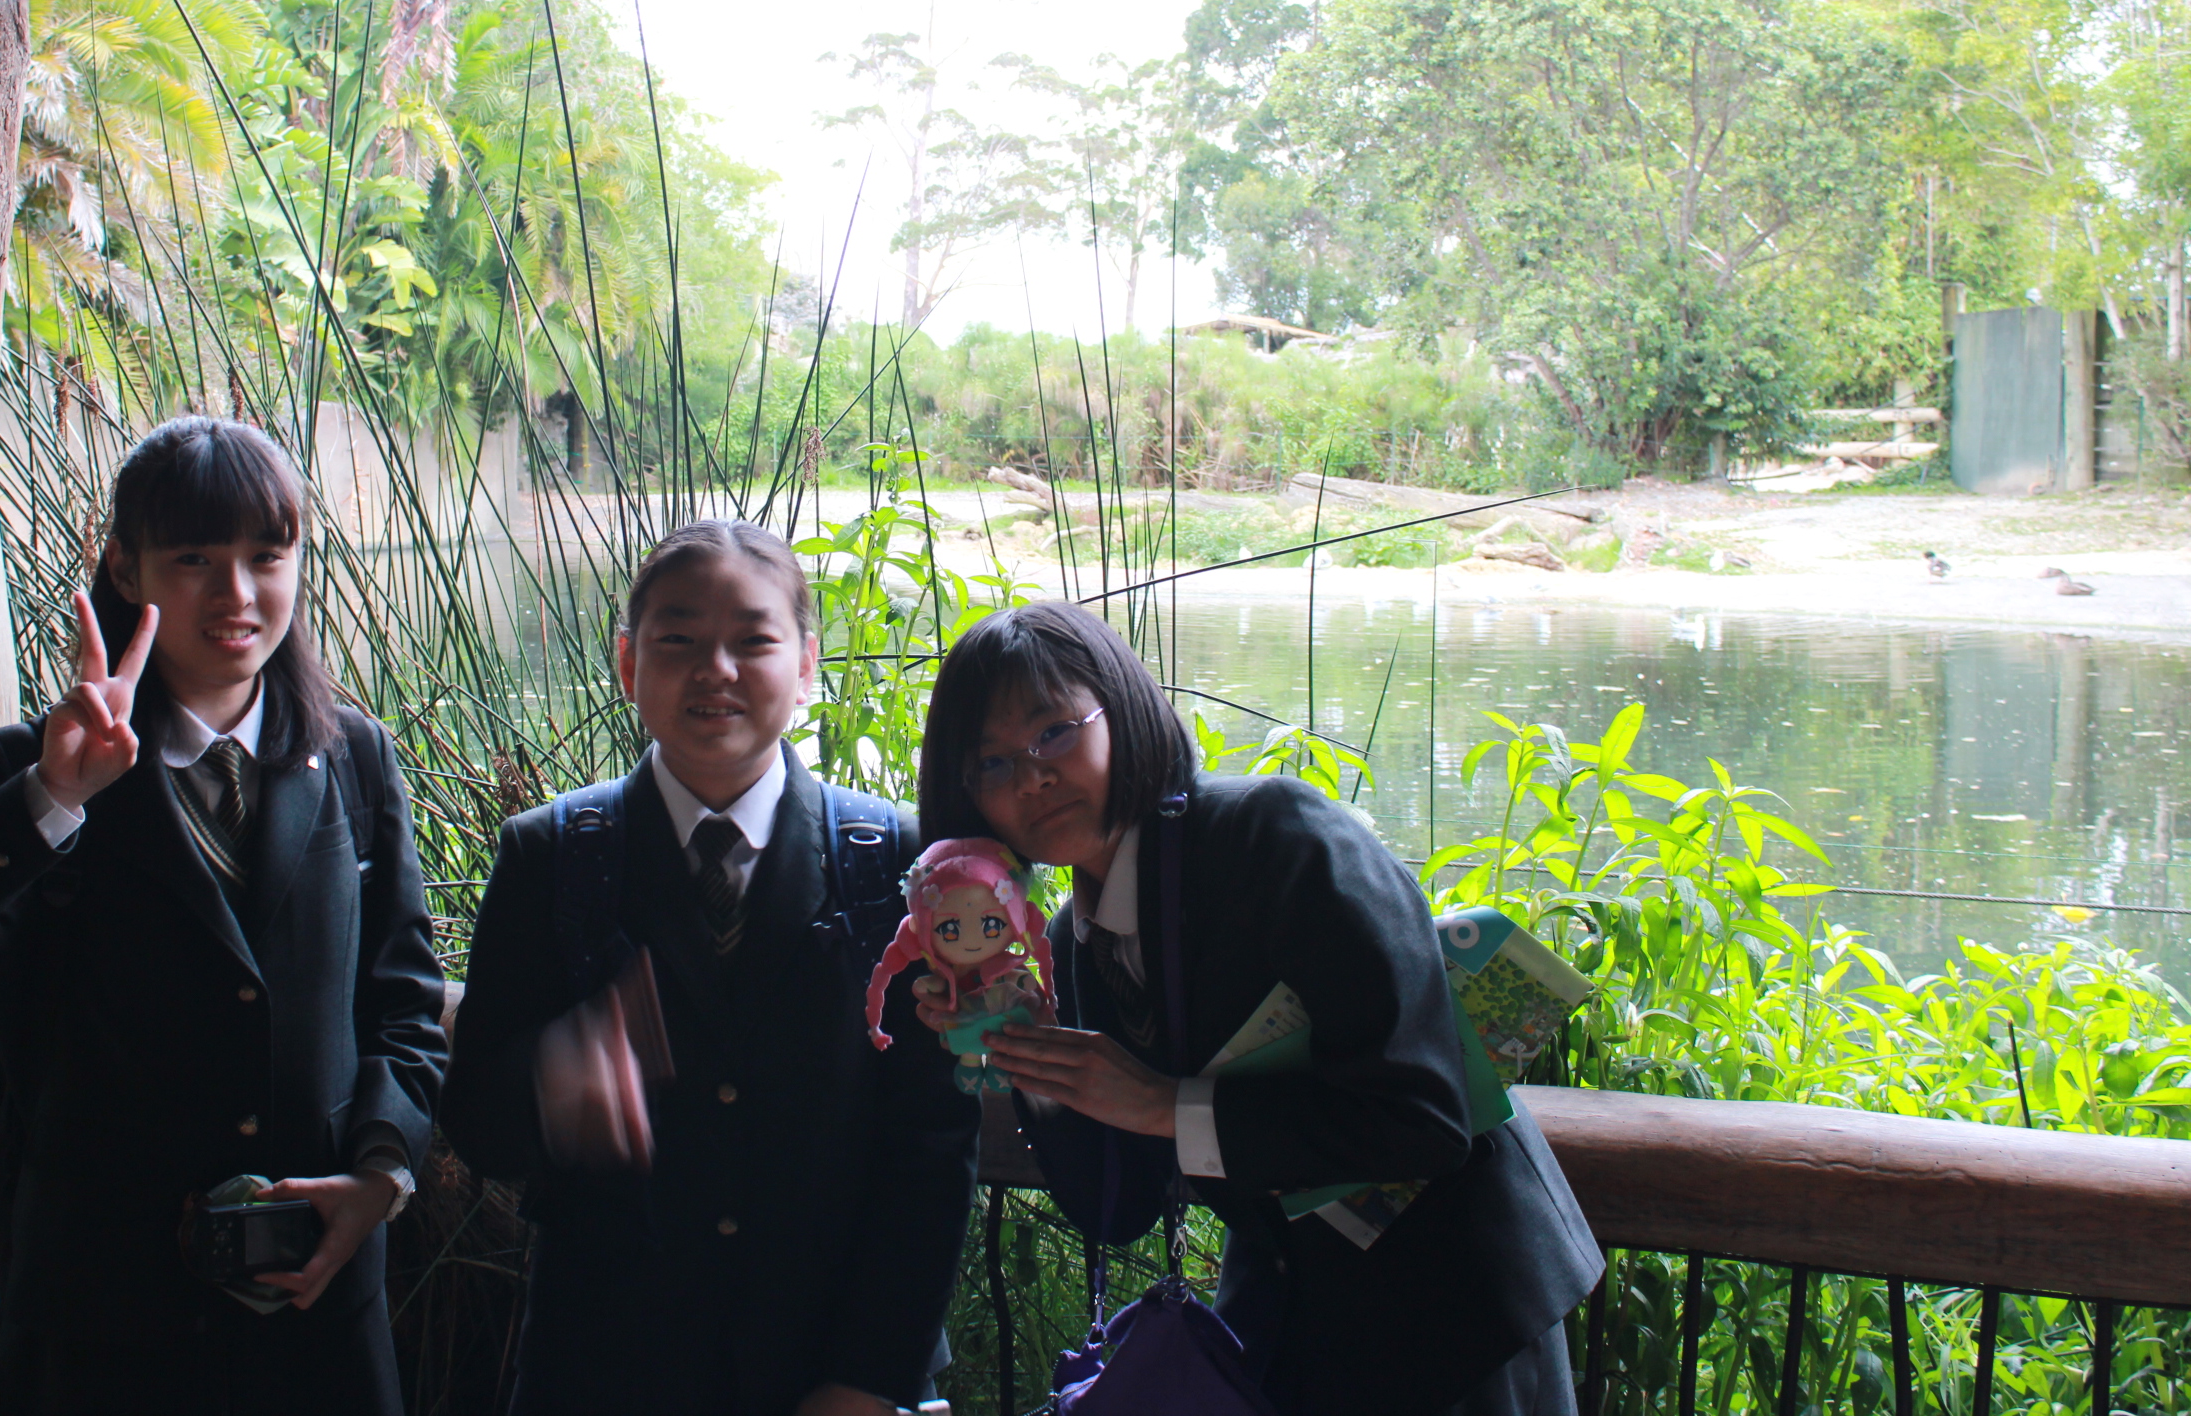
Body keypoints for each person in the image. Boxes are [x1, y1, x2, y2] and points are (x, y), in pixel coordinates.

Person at [0, 417, 447, 1416]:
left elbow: (404, 1006)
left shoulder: (356, 759)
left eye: (266, 557)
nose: (237, 595)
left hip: (318, 1324)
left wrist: (381, 1175)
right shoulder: (29, 771)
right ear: (124, 566)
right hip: (101, 1329)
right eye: (194, 559)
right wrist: (51, 800)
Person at [920, 600, 1602, 1416]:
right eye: (992, 763)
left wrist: (1165, 1105)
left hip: (1457, 1314)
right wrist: (1036, 1063)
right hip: (1293, 1320)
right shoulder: (1074, 944)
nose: (1032, 777)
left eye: (1054, 732)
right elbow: (1122, 1207)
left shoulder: (1276, 838)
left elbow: (1425, 1118)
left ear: (1123, 711)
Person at [444, 520, 979, 1416]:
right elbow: (477, 1125)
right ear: (628, 663)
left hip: (831, 1366)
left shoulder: (896, 864)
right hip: (606, 1369)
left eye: (753, 641)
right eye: (679, 640)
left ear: (806, 665)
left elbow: (931, 1146)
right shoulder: (554, 858)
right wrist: (550, 1082)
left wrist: (868, 1379)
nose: (715, 670)